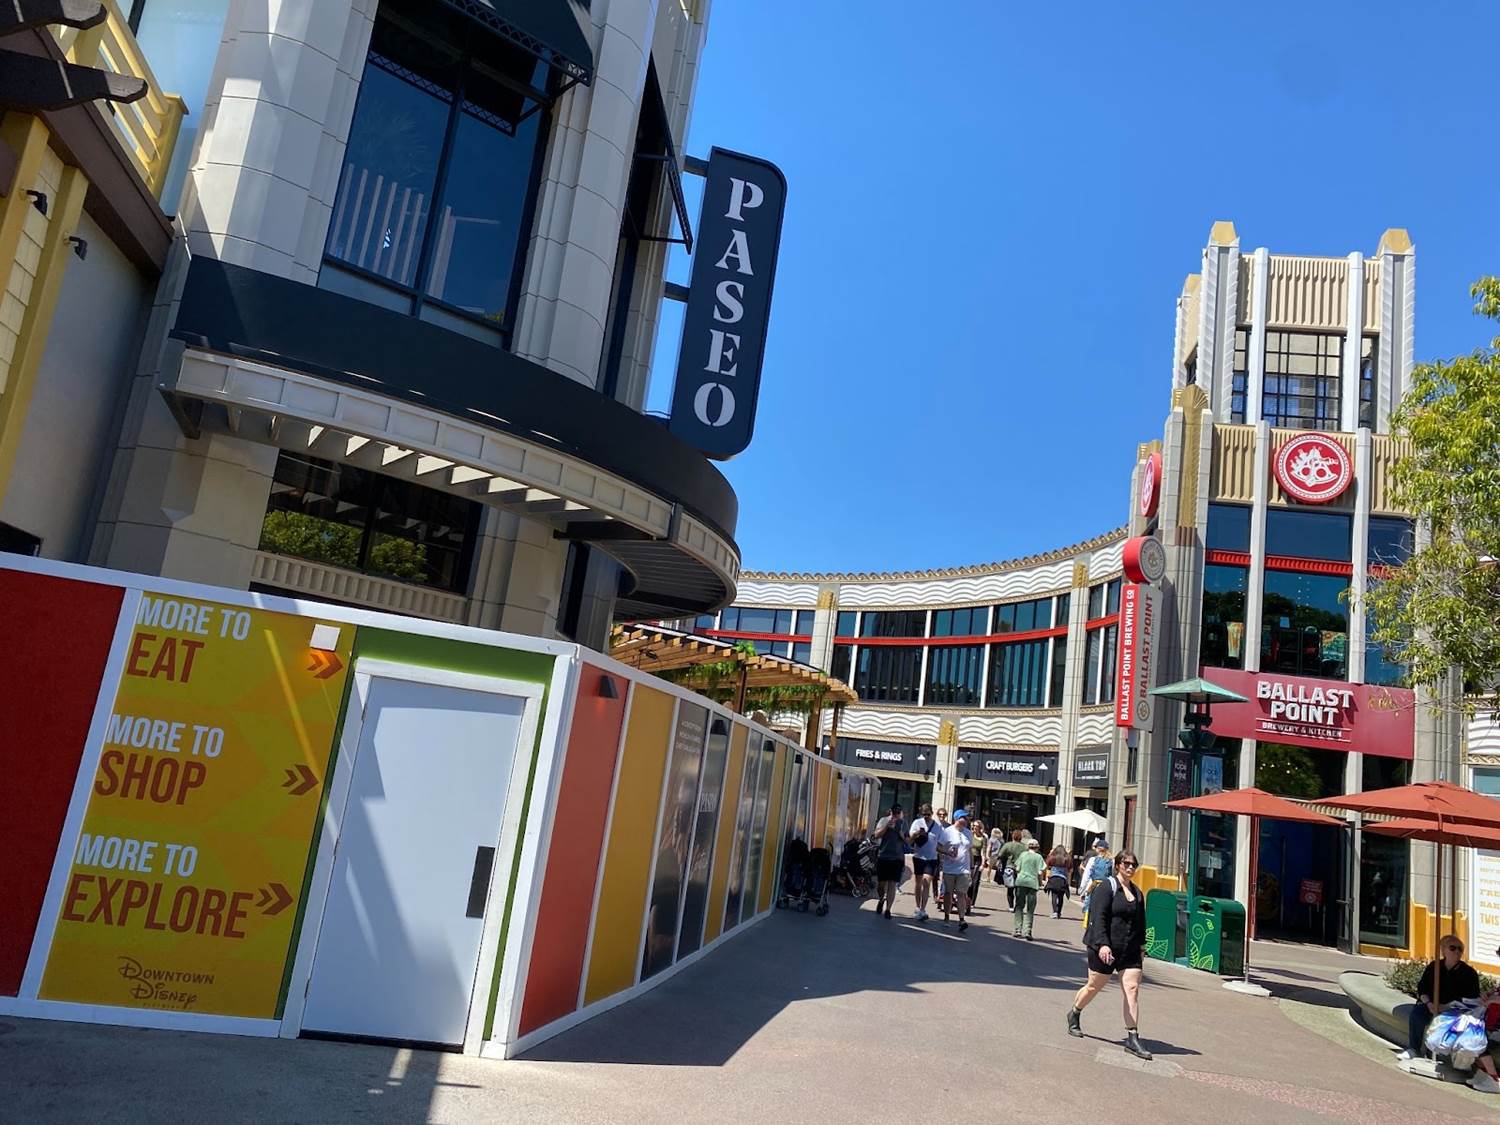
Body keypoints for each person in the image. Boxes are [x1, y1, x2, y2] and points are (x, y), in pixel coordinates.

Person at [1067, 849, 1151, 1061]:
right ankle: (1075, 1012)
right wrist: (1103, 945)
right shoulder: (1106, 887)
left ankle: (1132, 1037)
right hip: (1105, 948)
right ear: (1118, 865)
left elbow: (1141, 922)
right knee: (1094, 986)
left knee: (1132, 989)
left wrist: (1142, 946)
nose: (1130, 867)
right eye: (1126, 864)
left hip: (1129, 950)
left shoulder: (1137, 893)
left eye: (1133, 865)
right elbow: (1098, 917)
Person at [1398, 935, 1483, 1062]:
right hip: (1431, 1005)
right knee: (1417, 1014)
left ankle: (1436, 1053)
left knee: (1447, 1022)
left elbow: (1471, 998)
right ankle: (1414, 1049)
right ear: (1443, 950)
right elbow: (1422, 988)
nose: (1457, 951)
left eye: (1460, 949)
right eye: (1452, 948)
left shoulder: (1469, 973)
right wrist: (1429, 1003)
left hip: (1455, 1009)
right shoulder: (1434, 966)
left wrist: (1446, 1006)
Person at [938, 809, 974, 932]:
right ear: (957, 819)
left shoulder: (968, 833)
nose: (966, 820)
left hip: (964, 869)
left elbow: (969, 850)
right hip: (949, 868)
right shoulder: (947, 832)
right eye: (963, 818)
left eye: (966, 818)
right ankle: (947, 916)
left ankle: (961, 919)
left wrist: (972, 867)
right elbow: (938, 847)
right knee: (948, 893)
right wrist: (947, 852)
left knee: (961, 893)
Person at [906, 803, 941, 921]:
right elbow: (909, 839)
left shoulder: (937, 827)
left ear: (932, 814)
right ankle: (917, 906)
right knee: (918, 882)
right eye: (924, 814)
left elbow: (940, 844)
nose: (926, 817)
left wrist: (947, 852)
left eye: (928, 814)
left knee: (927, 882)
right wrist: (916, 833)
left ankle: (923, 908)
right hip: (919, 856)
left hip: (932, 858)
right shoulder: (917, 823)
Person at [871, 803, 907, 919]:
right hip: (884, 856)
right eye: (895, 812)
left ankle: (888, 909)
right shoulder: (883, 820)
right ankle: (881, 899)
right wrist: (887, 826)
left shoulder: (903, 823)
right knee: (881, 885)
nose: (896, 815)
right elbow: (876, 835)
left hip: (897, 858)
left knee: (892, 884)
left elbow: (907, 840)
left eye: (898, 813)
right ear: (891, 812)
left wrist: (900, 832)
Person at [1012, 838, 1047, 939]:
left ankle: (1018, 929)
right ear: (1037, 847)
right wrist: (1040, 882)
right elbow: (1040, 872)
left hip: (1021, 882)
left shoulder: (1023, 855)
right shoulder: (1039, 857)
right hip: (1032, 883)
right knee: (1030, 909)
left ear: (1028, 847)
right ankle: (1028, 931)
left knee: (1019, 906)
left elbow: (1017, 868)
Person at [997, 829, 1026, 909]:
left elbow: (1000, 855)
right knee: (1018, 889)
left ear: (1012, 836)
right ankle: (1017, 905)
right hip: (1020, 869)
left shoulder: (1008, 845)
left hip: (1009, 867)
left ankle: (1011, 906)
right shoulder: (1024, 847)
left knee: (1010, 888)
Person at [1044, 845, 1072, 918]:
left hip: (1053, 877)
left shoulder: (1052, 857)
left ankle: (1055, 912)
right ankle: (1059, 912)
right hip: (1063, 879)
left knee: (1054, 895)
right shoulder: (1067, 858)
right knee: (1061, 896)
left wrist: (1050, 854)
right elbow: (1070, 870)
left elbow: (1046, 864)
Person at [968, 819, 986, 910]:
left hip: (977, 860)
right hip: (968, 858)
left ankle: (971, 901)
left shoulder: (983, 838)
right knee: (966, 879)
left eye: (976, 826)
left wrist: (983, 864)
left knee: (975, 881)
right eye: (973, 826)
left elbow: (983, 852)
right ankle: (965, 898)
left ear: (980, 827)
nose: (974, 827)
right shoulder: (970, 835)